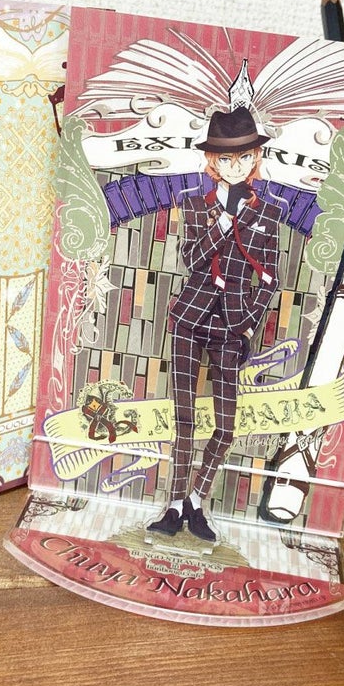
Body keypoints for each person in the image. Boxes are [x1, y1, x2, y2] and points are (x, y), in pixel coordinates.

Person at [148, 106, 281, 542]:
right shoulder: (194, 205)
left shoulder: (269, 214)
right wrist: (224, 220)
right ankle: (174, 505)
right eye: (226, 158)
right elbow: (191, 258)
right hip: (189, 318)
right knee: (185, 420)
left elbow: (271, 277)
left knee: (225, 426)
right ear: (213, 161)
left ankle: (197, 500)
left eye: (244, 157)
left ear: (255, 157)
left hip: (232, 326)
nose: (235, 166)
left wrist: (248, 326)